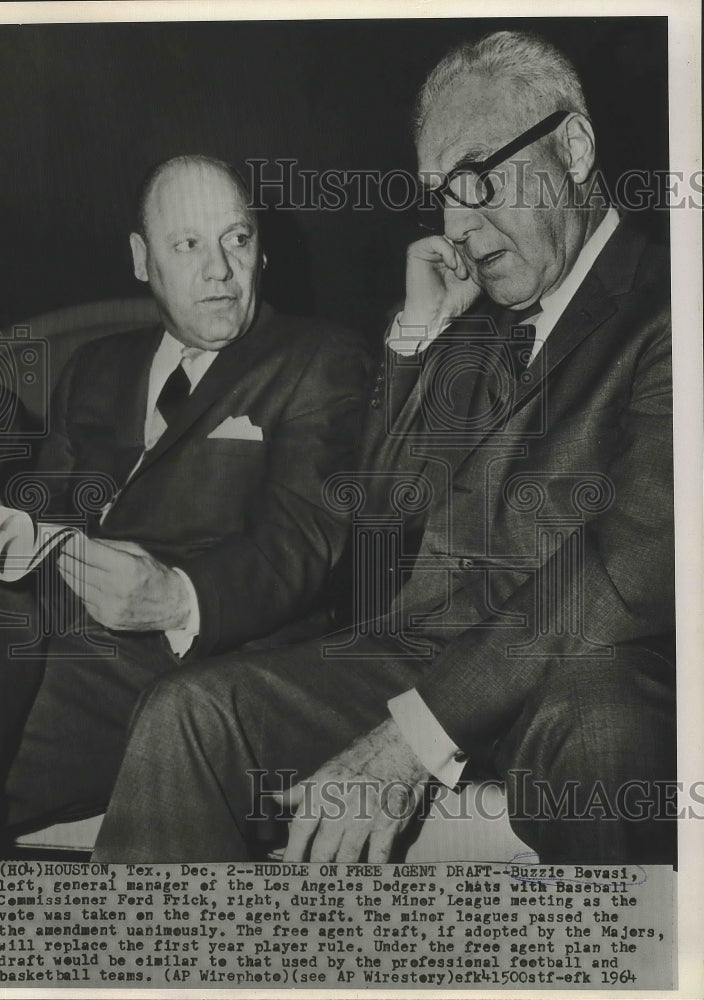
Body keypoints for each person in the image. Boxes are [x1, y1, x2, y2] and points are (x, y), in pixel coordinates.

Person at [93, 32, 675, 865]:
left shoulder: (669, 304)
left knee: (607, 731)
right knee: (192, 712)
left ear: (573, 147)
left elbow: (626, 567)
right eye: (442, 196)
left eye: (477, 179)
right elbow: (374, 525)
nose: (461, 227)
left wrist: (416, 738)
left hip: (577, 673)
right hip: (417, 653)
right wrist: (417, 335)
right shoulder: (473, 331)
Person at [0, 154, 370, 839]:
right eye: (188, 244)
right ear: (142, 259)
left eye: (237, 239)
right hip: (50, 626)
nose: (219, 270)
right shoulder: (94, 366)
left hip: (201, 653)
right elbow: (42, 511)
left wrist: (176, 598)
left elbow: (304, 539)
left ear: (261, 250)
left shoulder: (319, 357)